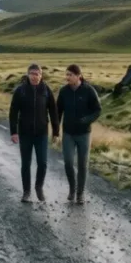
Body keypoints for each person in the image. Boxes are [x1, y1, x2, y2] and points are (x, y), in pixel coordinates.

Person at [9, 63, 59, 203]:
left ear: (41, 75)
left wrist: (55, 131)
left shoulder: (46, 90)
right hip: (25, 133)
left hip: (42, 133)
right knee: (26, 163)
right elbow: (13, 112)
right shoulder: (21, 90)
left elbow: (53, 111)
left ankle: (39, 187)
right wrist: (14, 131)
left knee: (42, 163)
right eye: (32, 73)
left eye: (37, 73)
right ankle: (26, 192)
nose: (34, 76)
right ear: (28, 75)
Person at [56, 64, 102, 204]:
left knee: (82, 165)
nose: (67, 77)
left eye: (70, 75)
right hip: (68, 134)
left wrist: (87, 120)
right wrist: (56, 131)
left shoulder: (89, 91)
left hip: (84, 134)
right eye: (67, 74)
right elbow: (58, 112)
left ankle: (80, 194)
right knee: (68, 162)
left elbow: (97, 110)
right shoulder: (64, 91)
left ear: (78, 76)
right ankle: (72, 188)